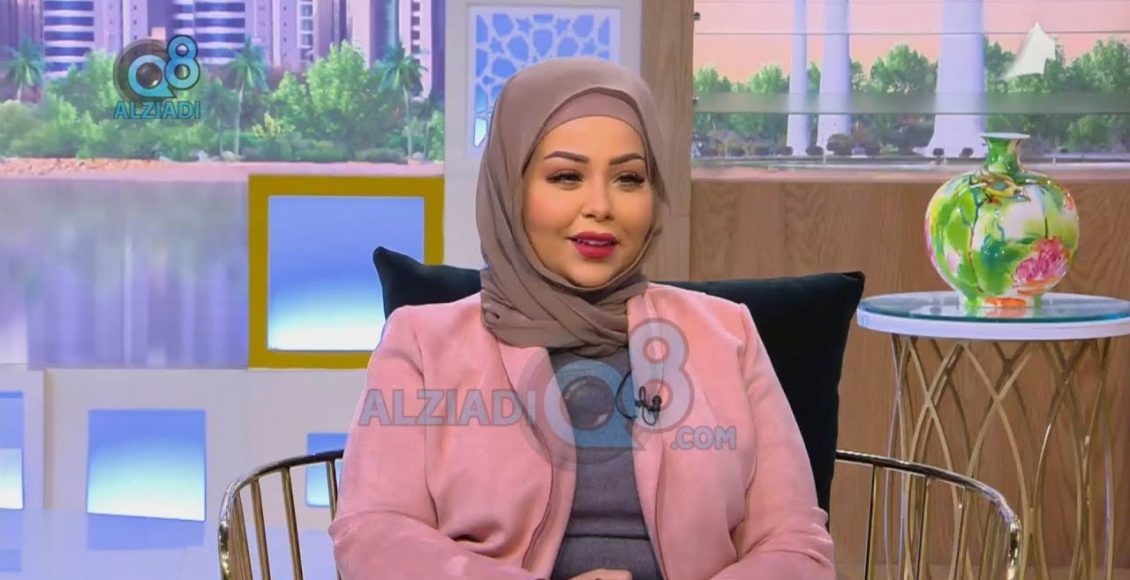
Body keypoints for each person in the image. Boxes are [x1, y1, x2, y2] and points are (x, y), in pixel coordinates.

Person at [328, 57, 836, 580]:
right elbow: (374, 535)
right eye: (566, 176)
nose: (601, 206)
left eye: (629, 178)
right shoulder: (420, 342)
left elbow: (795, 544)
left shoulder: (729, 333)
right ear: (511, 187)